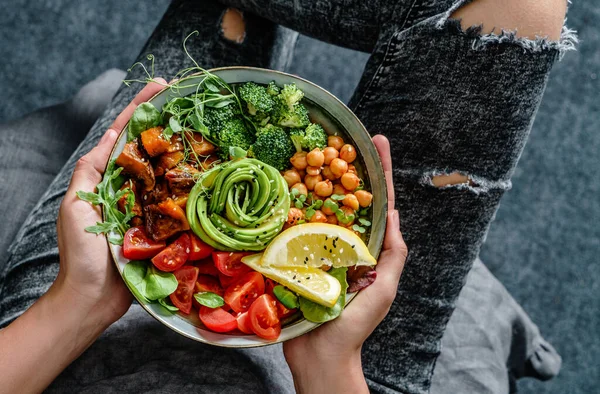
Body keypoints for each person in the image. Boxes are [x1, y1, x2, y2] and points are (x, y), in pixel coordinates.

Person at [0, 0, 573, 393]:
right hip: (354, 371)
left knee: (227, 27)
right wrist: (332, 362)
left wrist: (81, 301)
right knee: (521, 10)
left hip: (70, 342)